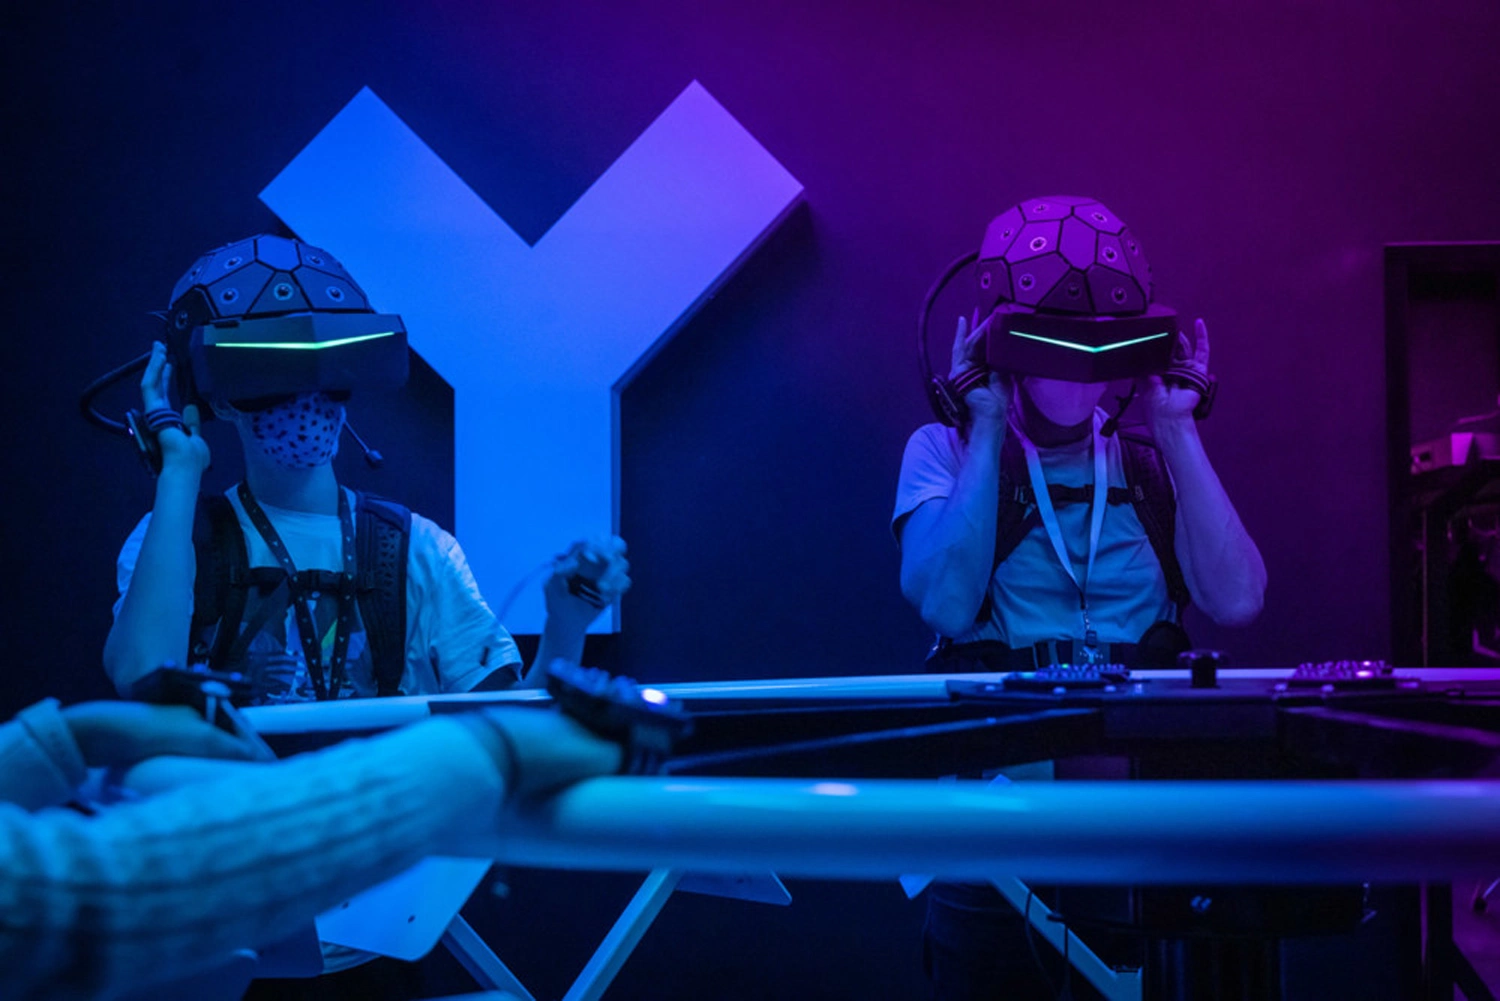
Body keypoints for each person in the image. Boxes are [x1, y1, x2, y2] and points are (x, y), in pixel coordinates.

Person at [893, 196, 1266, 999]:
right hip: (996, 831)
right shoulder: (942, 452)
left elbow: (1237, 598)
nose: (1076, 366)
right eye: (1051, 340)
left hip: (1141, 822)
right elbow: (946, 604)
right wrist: (985, 424)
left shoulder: (1150, 463)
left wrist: (1178, 429)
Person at [104, 234, 630, 706]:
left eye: (327, 371)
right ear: (219, 398)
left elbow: (508, 724)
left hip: (384, 783)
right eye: (273, 372)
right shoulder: (175, 539)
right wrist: (179, 472)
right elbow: (140, 676)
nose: (307, 396)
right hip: (234, 781)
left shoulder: (417, 549)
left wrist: (565, 626)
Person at [0, 695, 622, 1000]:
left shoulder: (415, 546)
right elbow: (66, 898)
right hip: (296, 898)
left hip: (340, 922)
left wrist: (65, 738)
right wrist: (482, 754)